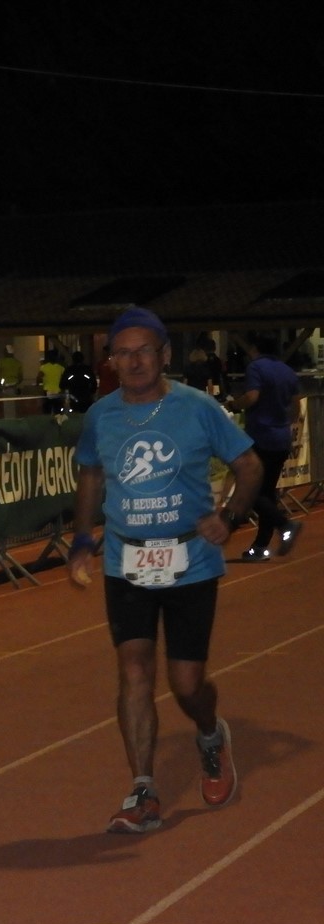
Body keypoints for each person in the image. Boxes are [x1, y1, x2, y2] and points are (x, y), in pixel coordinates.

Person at [68, 306, 262, 835]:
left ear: (165, 354)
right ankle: (142, 789)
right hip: (126, 561)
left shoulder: (197, 408)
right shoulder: (101, 415)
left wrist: (230, 516)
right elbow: (90, 474)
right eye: (122, 353)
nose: (133, 361)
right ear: (111, 360)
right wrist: (82, 539)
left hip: (191, 562)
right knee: (133, 670)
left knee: (186, 684)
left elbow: (249, 465)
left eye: (143, 351)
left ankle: (210, 733)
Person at [227, 335, 303, 561]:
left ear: (254, 348)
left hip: (260, 436)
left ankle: (285, 524)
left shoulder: (256, 367)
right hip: (281, 438)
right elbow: (296, 407)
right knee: (267, 493)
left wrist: (234, 404)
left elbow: (252, 396)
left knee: (250, 490)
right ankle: (260, 546)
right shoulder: (287, 371)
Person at [38, 346, 67, 413]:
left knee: (47, 409)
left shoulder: (43, 367)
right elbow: (64, 379)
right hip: (58, 390)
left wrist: (38, 384)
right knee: (58, 409)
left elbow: (39, 377)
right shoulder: (61, 368)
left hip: (47, 390)